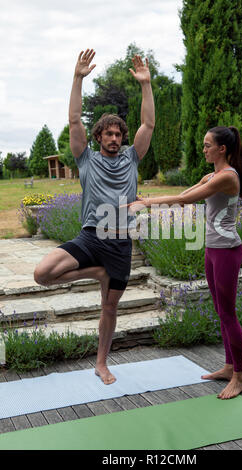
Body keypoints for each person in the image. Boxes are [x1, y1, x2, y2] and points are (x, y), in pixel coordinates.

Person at [34, 49, 155, 385]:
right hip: (90, 236)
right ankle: (96, 273)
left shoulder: (132, 158)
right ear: (99, 137)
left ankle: (102, 364)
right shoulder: (85, 159)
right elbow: (75, 120)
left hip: (119, 243)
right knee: (42, 274)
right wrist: (77, 78)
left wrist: (146, 85)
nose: (114, 139)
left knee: (110, 309)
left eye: (119, 134)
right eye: (109, 134)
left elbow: (148, 123)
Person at [126, 126, 242, 400]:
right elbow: (184, 196)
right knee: (220, 311)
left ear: (222, 149)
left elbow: (183, 199)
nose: (203, 149)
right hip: (213, 250)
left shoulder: (226, 177)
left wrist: (145, 203)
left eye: (207, 145)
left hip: (227, 251)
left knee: (228, 314)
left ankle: (239, 377)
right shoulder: (212, 175)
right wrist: (146, 199)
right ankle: (229, 367)